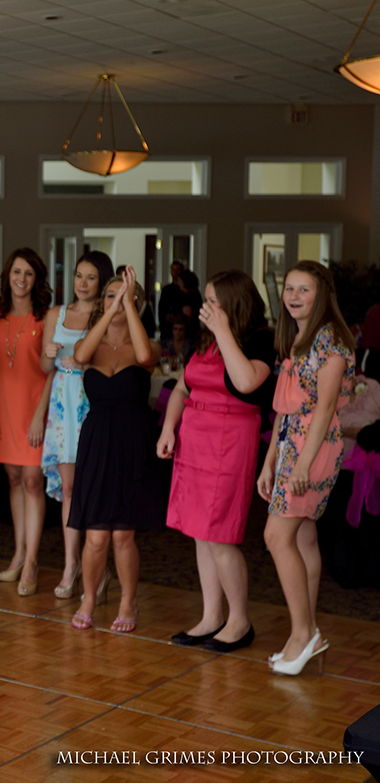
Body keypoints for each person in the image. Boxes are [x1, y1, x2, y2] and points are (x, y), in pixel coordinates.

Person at [157, 270, 274, 653]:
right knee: (198, 532)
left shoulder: (260, 339)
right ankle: (211, 615)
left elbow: (245, 382)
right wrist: (169, 428)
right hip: (194, 438)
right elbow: (182, 386)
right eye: (206, 300)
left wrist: (224, 331)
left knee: (219, 533)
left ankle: (239, 620)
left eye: (214, 301)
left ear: (234, 304)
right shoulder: (202, 338)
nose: (206, 308)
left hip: (230, 440)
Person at [257, 260, 355, 675]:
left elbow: (325, 408)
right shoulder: (298, 339)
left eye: (304, 290)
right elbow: (284, 410)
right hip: (291, 445)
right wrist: (270, 462)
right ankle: (306, 633)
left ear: (322, 295)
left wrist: (300, 463)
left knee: (276, 535)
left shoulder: (330, 340)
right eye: (290, 289)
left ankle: (304, 633)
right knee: (304, 538)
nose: (294, 297)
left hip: (314, 449)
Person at [68, 268, 164, 633]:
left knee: (123, 534)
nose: (117, 300)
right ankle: (89, 598)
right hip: (97, 440)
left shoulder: (148, 345)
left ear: (137, 303)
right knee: (95, 536)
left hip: (132, 441)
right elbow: (79, 357)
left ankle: (128, 599)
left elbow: (143, 356)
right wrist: (109, 311)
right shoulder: (91, 343)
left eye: (125, 295)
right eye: (110, 295)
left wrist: (128, 304)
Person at [39, 251, 113, 599]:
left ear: (102, 282)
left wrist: (84, 363)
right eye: (78, 276)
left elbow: (112, 362)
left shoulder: (105, 316)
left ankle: (98, 566)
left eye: (90, 278)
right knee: (69, 489)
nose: (82, 284)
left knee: (94, 488)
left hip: (90, 400)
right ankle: (71, 565)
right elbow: (42, 367)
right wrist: (50, 355)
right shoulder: (57, 313)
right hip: (61, 403)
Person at [0, 248, 53, 597]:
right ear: (7, 277)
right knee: (12, 477)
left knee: (32, 480)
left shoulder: (45, 319)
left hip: (34, 406)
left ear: (36, 279)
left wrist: (41, 414)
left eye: (28, 273)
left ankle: (34, 560)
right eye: (16, 273)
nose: (21, 280)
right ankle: (19, 552)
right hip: (4, 407)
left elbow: (51, 371)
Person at [158, 260, 186, 335]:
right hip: (167, 329)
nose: (175, 272)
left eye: (178, 269)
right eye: (173, 269)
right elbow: (161, 309)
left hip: (182, 329)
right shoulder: (166, 290)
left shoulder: (185, 291)